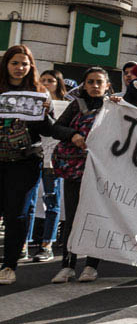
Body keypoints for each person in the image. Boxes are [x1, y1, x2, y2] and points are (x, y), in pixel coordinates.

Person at [49, 67, 111, 283]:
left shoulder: (114, 109)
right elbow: (56, 129)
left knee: (97, 217)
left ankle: (91, 266)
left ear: (107, 86)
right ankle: (67, 265)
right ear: (84, 85)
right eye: (90, 82)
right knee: (73, 218)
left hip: (101, 172)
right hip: (75, 170)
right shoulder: (76, 105)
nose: (95, 86)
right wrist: (73, 135)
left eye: (99, 82)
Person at [0, 45, 53, 285]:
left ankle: (9, 265)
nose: (20, 68)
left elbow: (47, 128)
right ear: (6, 65)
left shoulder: (39, 93)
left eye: (25, 63)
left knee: (16, 215)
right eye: (15, 63)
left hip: (24, 163)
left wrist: (48, 113)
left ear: (31, 66)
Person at [28, 69, 68, 262]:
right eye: (42, 80)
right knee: (29, 202)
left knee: (51, 201)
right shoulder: (31, 102)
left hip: (53, 160)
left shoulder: (67, 106)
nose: (46, 83)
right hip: (34, 156)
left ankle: (47, 244)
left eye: (50, 80)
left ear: (58, 83)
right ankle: (24, 244)